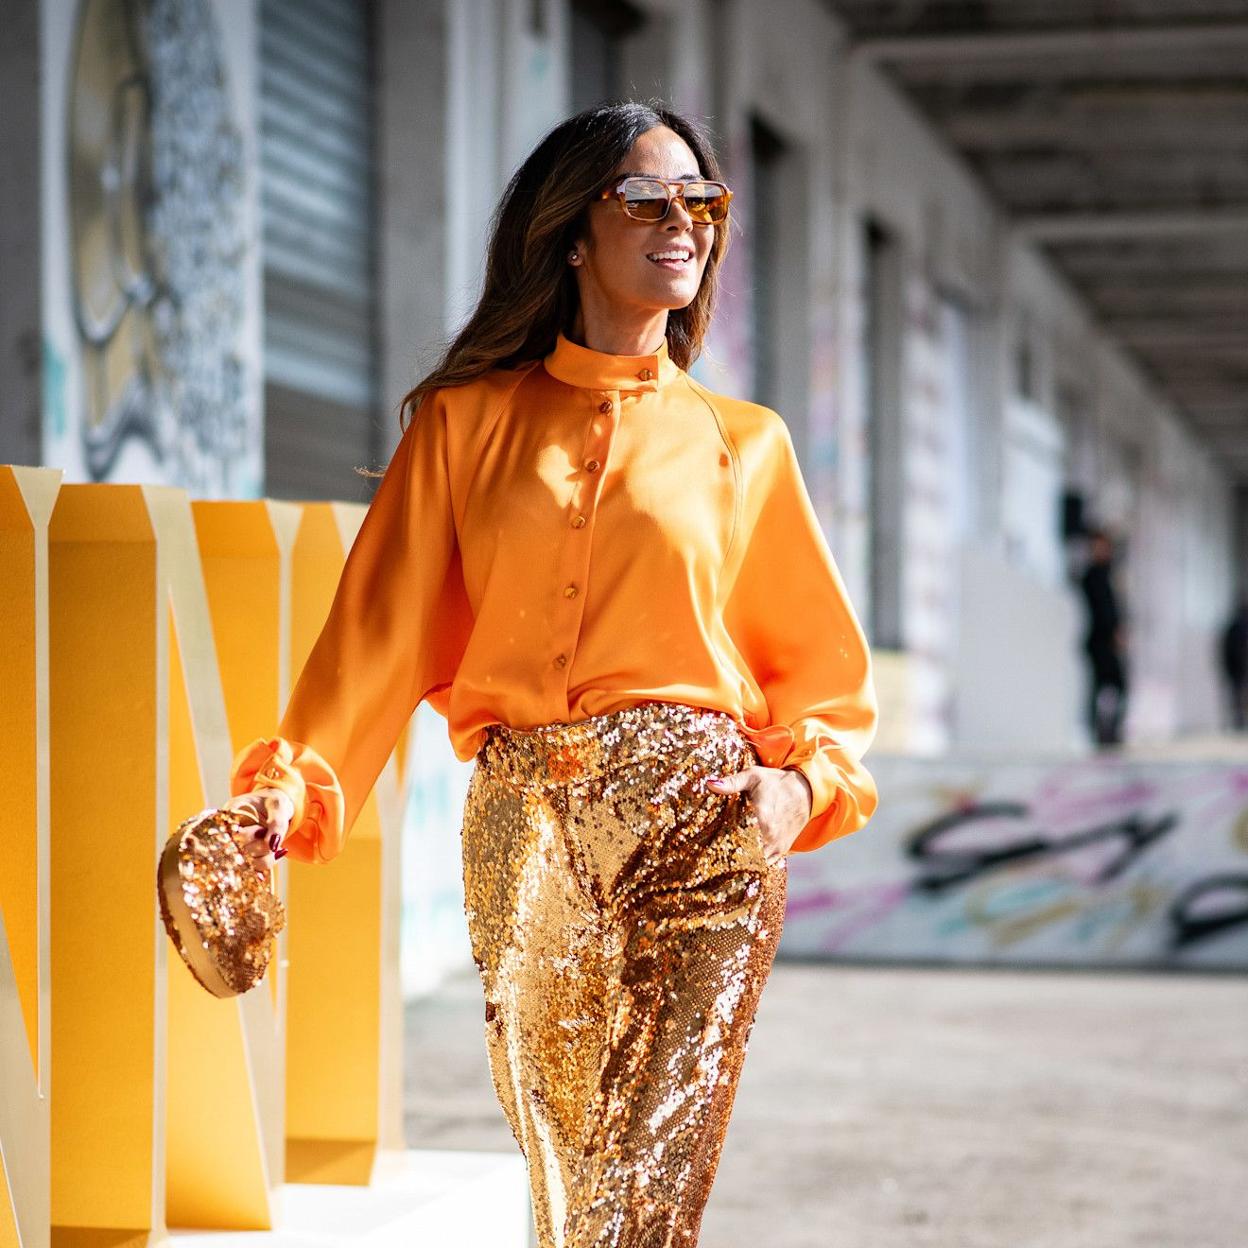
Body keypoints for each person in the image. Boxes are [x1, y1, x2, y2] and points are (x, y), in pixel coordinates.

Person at [220, 101, 878, 1247]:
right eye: (649, 199)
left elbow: (817, 671)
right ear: (574, 230)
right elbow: (373, 640)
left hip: (707, 832)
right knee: (572, 1178)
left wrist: (792, 791)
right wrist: (283, 793)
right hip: (529, 828)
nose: (686, 223)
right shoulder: (463, 424)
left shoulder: (746, 442)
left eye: (703, 201)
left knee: (654, 1176)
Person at [1078, 527, 1128, 748]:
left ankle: (1107, 730)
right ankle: (1098, 731)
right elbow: (1102, 610)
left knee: (1112, 686)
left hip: (1105, 639)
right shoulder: (1092, 576)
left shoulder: (1107, 574)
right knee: (1105, 685)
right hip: (1098, 640)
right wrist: (1113, 631)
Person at [1219, 597, 1248, 730]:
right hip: (1238, 667)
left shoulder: (1234, 626)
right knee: (1238, 694)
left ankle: (1239, 721)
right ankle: (1239, 722)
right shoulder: (1238, 626)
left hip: (1235, 667)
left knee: (1237, 694)